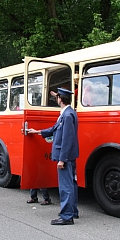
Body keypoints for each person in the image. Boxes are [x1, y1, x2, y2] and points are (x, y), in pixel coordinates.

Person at [28, 88, 79, 225]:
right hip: (69, 156)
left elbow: (67, 139)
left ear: (60, 99)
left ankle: (67, 216)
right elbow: (54, 129)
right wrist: (37, 131)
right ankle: (73, 211)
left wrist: (62, 159)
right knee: (72, 184)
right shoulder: (68, 113)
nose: (56, 99)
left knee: (65, 186)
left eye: (57, 97)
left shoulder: (67, 115)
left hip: (65, 157)